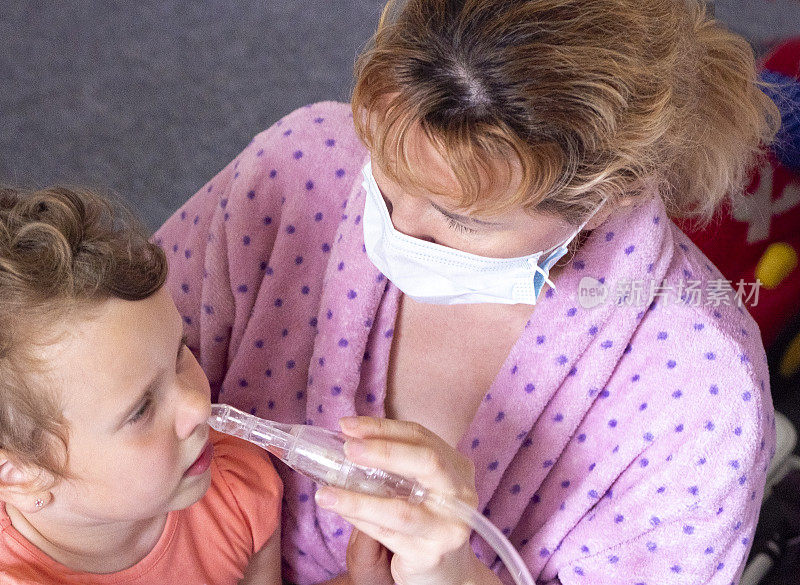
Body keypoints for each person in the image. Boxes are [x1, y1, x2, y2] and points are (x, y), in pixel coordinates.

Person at [154, 0, 781, 583]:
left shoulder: (697, 393)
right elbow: (90, 372)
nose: (398, 229)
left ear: (603, 201)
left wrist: (449, 573)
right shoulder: (303, 164)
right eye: (388, 169)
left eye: (465, 220)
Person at [0, 187, 282, 584]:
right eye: (141, 409)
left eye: (181, 353)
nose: (199, 407)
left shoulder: (239, 488)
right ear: (20, 473)